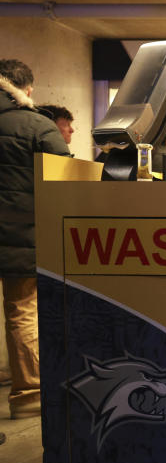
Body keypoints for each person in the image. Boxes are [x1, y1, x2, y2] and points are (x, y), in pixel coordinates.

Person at [0, 59, 71, 419]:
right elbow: (66, 177)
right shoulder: (35, 125)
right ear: (27, 90)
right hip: (20, 233)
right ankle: (28, 395)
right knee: (22, 310)